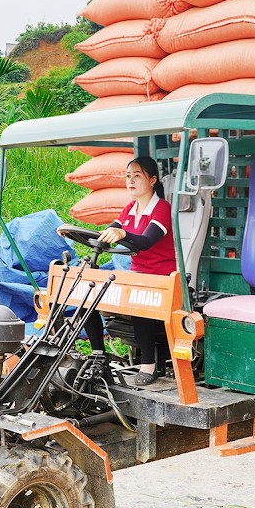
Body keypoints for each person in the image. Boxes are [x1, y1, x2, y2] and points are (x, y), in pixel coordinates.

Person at [85, 156, 175, 386]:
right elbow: (110, 231)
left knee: (137, 295)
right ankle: (98, 356)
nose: (130, 181)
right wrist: (76, 234)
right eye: (127, 176)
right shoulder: (130, 209)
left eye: (137, 176)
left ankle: (148, 366)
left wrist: (123, 234)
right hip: (138, 275)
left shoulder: (162, 209)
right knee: (88, 296)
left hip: (162, 277)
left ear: (153, 180)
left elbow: (145, 242)